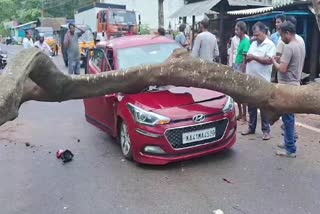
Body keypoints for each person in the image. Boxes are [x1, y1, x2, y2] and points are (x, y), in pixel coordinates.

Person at [272, 21, 305, 158]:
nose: (281, 38)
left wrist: (274, 61)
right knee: (288, 118)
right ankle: (288, 143)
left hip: (287, 87)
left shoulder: (289, 47)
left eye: (281, 35)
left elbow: (283, 69)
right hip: (295, 84)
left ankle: (290, 149)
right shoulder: (299, 44)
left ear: (287, 33)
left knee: (288, 119)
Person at [241, 22, 276, 140]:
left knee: (263, 107)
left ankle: (266, 131)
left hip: (262, 81)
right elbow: (247, 58)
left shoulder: (270, 45)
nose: (255, 37)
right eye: (254, 35)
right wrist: (245, 67)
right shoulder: (253, 44)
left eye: (257, 35)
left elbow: (269, 60)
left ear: (264, 32)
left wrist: (254, 57)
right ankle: (251, 127)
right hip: (251, 80)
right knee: (251, 106)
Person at [233, 21, 251, 122]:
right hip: (237, 65)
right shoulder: (239, 41)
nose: (235, 31)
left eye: (237, 29)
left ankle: (244, 115)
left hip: (241, 67)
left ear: (242, 30)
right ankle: (240, 113)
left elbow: (245, 59)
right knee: (237, 93)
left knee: (242, 93)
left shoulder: (246, 41)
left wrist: (243, 73)